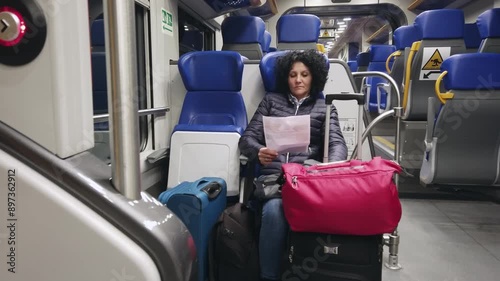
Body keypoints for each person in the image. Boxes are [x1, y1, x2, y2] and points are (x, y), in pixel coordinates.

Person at [238, 49, 348, 281]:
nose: (298, 80)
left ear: (314, 77)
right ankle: (268, 276)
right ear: (285, 78)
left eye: (304, 74)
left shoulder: (324, 107)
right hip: (273, 181)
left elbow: (337, 144)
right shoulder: (270, 101)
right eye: (292, 74)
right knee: (275, 211)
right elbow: (246, 139)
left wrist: (326, 169)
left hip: (307, 181)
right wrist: (259, 151)